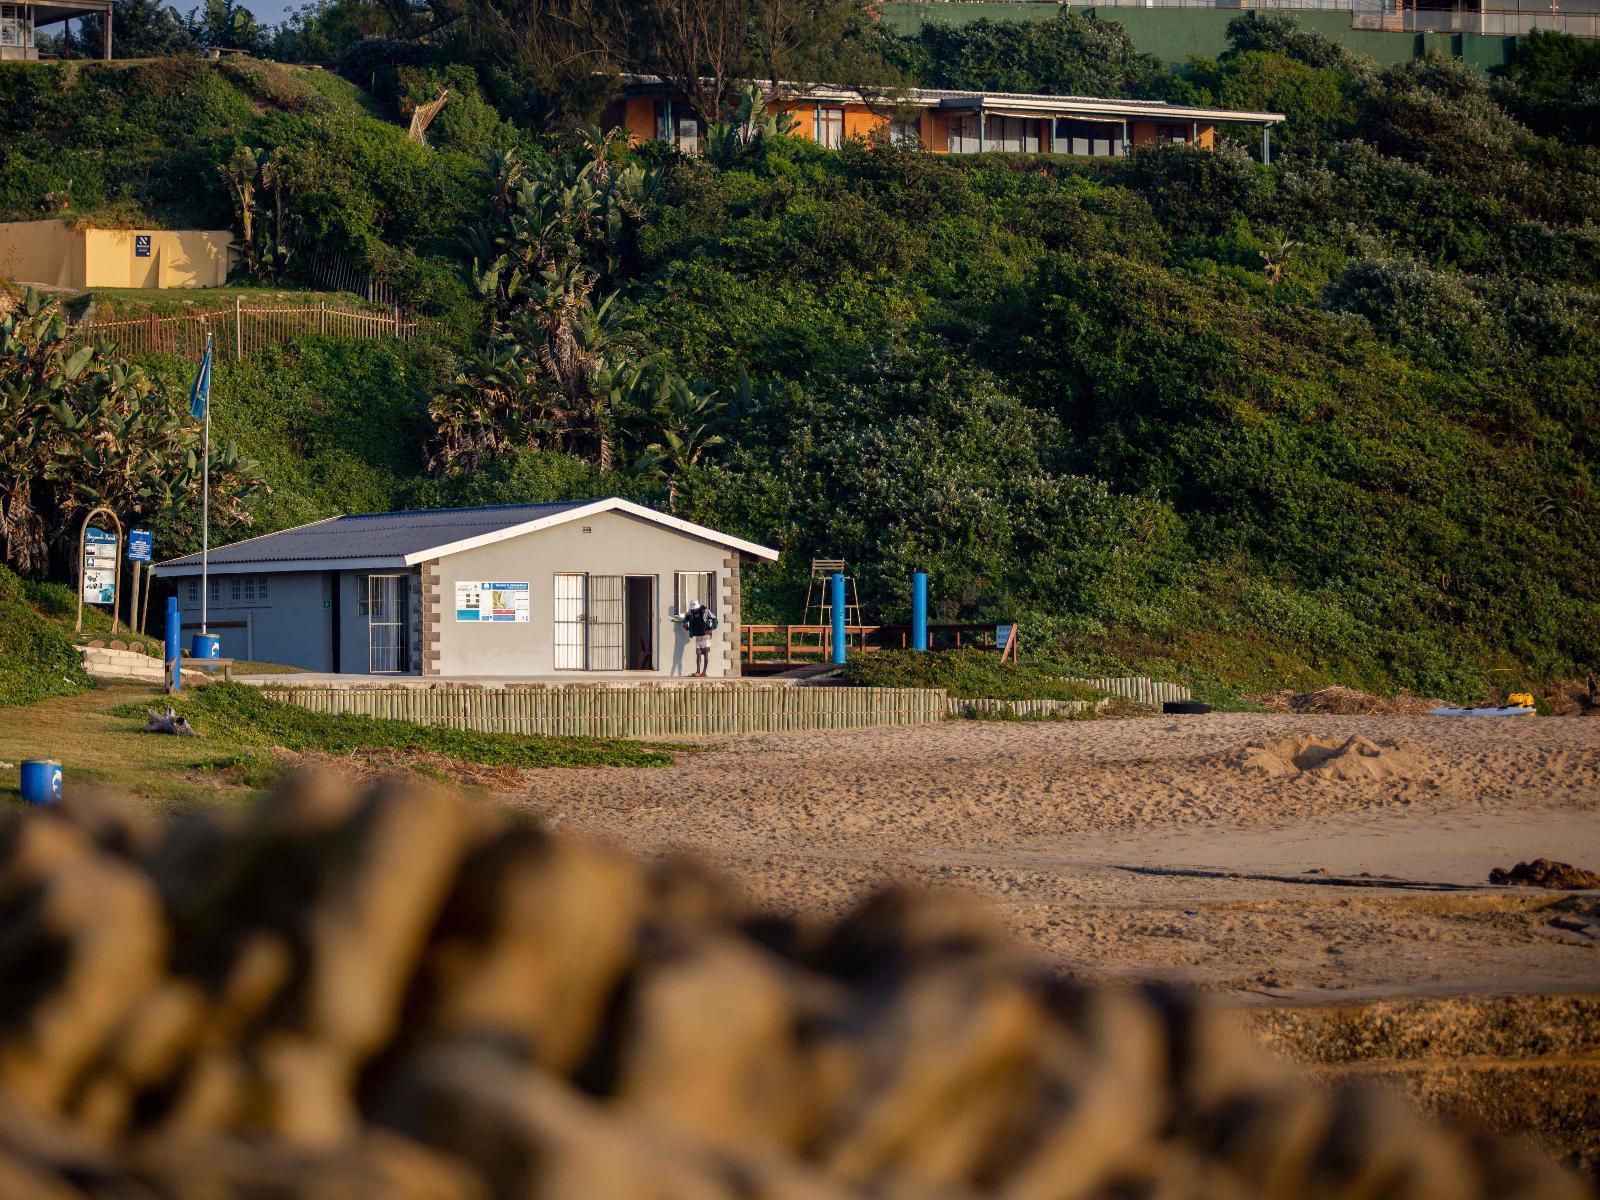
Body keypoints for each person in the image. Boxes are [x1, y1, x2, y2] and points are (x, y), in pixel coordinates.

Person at [682, 601, 717, 677]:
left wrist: (711, 628)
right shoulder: (691, 612)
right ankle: (698, 671)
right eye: (693, 608)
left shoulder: (705, 611)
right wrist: (685, 624)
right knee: (698, 654)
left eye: (695, 608)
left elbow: (715, 619)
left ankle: (704, 672)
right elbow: (686, 618)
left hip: (706, 635)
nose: (694, 610)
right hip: (698, 636)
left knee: (706, 653)